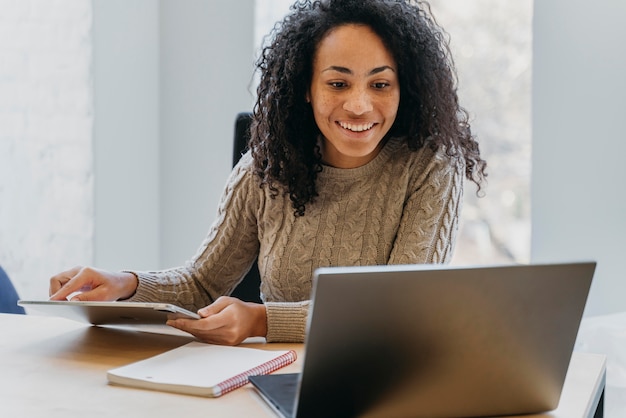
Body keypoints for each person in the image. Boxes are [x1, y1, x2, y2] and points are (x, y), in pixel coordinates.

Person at [49, 0, 487, 345]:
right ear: (305, 90)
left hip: (378, 378)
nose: (358, 105)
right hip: (268, 375)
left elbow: (398, 311)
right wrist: (125, 284)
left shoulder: (431, 167)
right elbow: (202, 282)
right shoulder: (267, 167)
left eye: (380, 84)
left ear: (403, 90)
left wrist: (262, 319)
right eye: (337, 83)